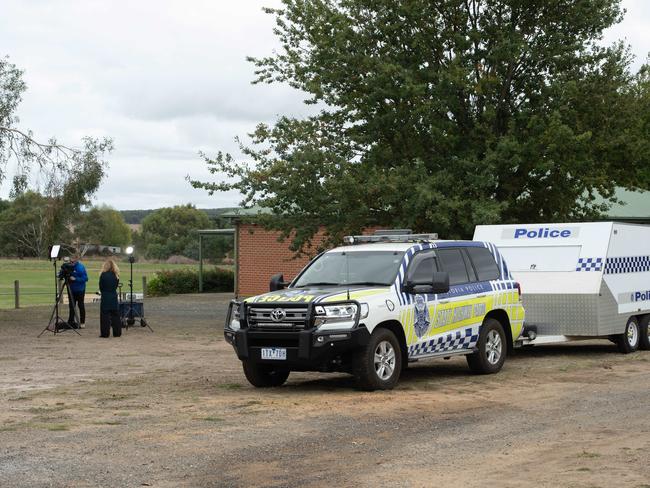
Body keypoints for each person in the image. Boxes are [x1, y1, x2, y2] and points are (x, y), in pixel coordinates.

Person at [99, 259, 122, 338]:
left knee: (105, 316)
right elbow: (115, 286)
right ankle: (117, 333)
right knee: (115, 315)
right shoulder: (116, 275)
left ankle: (105, 333)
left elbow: (101, 287)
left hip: (105, 296)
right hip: (113, 295)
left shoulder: (103, 275)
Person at [65, 255, 88, 329]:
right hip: (71, 289)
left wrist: (75, 279)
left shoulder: (80, 267)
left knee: (80, 305)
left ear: (76, 259)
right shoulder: (68, 266)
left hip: (80, 290)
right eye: (71, 259)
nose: (71, 261)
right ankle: (71, 321)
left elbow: (85, 278)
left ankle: (82, 322)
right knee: (71, 306)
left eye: (73, 259)